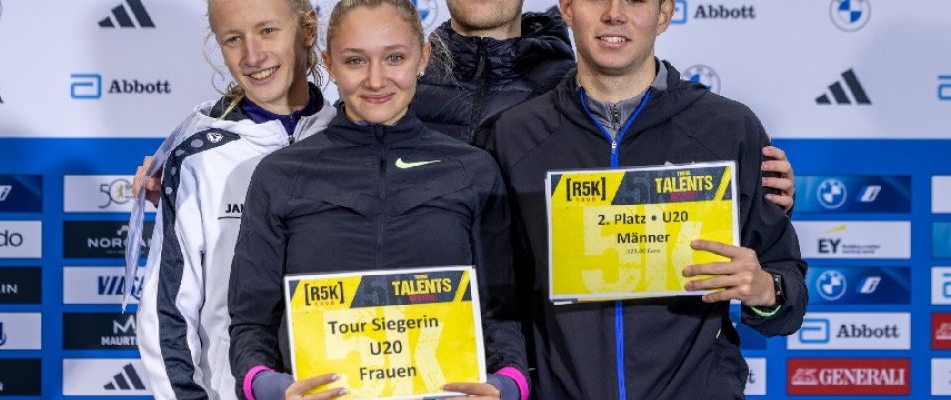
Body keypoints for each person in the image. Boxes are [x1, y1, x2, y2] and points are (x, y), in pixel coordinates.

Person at [486, 0, 807, 398]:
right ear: (567, 9)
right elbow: (498, 296)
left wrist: (764, 290)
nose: (614, 13)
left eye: (636, 0)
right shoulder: (515, 135)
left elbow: (786, 306)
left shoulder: (731, 129)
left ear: (665, 14)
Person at [226, 0, 528, 399]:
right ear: (329, 64)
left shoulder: (472, 170)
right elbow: (251, 323)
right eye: (355, 61)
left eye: (395, 58)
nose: (376, 80)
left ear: (423, 58)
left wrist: (506, 387)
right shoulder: (280, 175)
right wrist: (271, 387)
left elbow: (501, 316)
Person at [130, 0, 335, 398]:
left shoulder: (351, 138)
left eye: (268, 31)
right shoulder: (197, 157)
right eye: (233, 39)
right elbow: (167, 316)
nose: (253, 56)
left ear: (307, 30)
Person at [410, 0, 796, 211]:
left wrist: (751, 201)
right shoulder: (396, 92)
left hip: (551, 349)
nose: (614, 12)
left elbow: (647, 210)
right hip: (434, 341)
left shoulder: (586, 90)